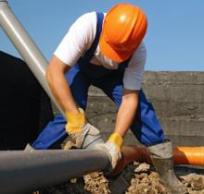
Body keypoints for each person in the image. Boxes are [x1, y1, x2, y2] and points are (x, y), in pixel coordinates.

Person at [32, 3, 186, 193]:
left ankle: (166, 173)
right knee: (68, 110)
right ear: (106, 27)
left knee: (141, 110)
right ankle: (31, 161)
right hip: (81, 67)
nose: (113, 57)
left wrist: (116, 140)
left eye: (121, 53)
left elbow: (130, 99)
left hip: (114, 77)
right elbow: (54, 71)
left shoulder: (138, 52)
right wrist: (74, 116)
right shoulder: (88, 25)